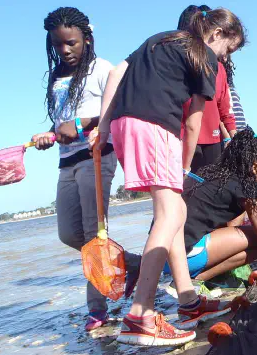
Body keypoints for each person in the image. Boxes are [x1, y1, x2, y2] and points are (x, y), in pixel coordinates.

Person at [92, 8, 246, 346]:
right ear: (217, 34)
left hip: (124, 125)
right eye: (229, 49)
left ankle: (188, 301)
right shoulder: (204, 56)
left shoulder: (160, 39)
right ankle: (140, 316)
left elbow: (119, 71)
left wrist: (104, 125)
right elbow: (193, 121)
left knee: (170, 210)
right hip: (154, 126)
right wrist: (186, 166)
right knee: (173, 213)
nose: (226, 57)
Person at [31, 7, 141, 332]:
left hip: (97, 157)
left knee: (94, 236)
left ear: (87, 39)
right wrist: (48, 136)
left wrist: (79, 124)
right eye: (58, 45)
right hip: (66, 162)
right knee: (69, 233)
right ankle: (132, 264)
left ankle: (97, 308)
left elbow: (120, 106)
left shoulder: (102, 69)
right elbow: (60, 123)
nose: (65, 51)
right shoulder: (56, 76)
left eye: (72, 43)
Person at [164, 128, 257, 292]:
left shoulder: (215, 175)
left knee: (254, 233)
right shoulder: (247, 190)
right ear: (254, 168)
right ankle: (195, 279)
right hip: (184, 258)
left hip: (165, 256)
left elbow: (231, 226)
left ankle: (197, 278)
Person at [177, 5, 245, 173]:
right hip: (182, 137)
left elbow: (225, 109)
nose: (225, 56)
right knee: (187, 190)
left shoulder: (219, 68)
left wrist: (233, 135)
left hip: (213, 140)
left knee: (212, 190)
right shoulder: (180, 62)